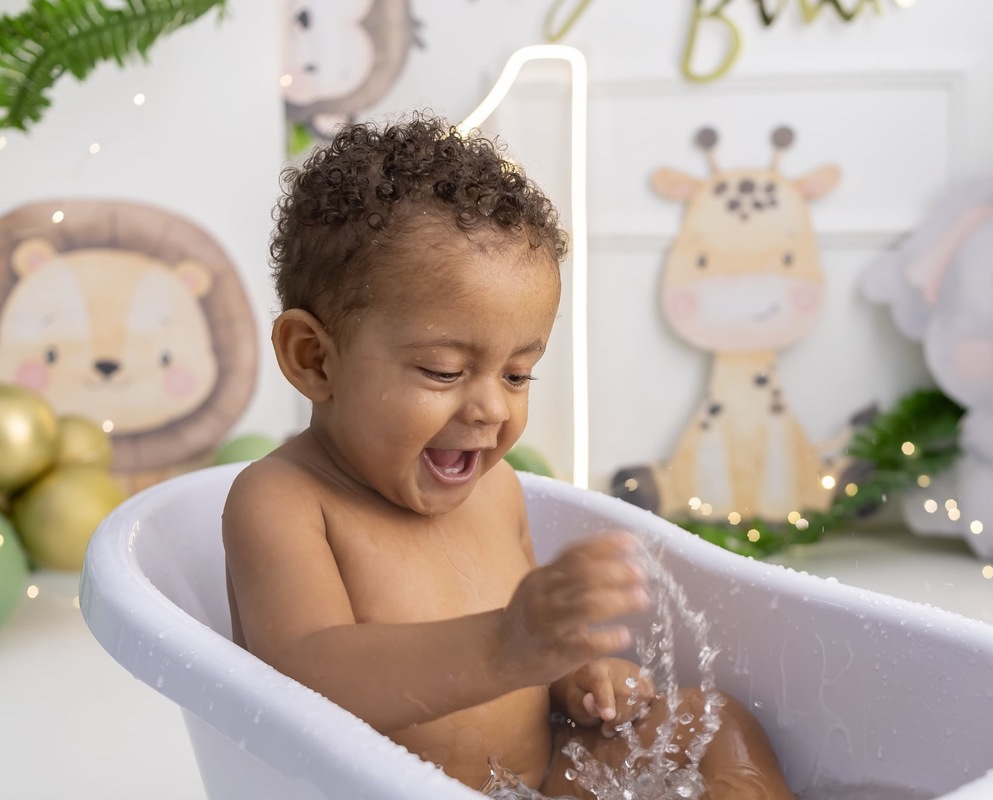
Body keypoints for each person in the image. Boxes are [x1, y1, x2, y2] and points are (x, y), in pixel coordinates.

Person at [222, 115, 795, 798]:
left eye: (519, 374)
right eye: (441, 370)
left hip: (542, 779)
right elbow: (307, 681)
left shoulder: (495, 492)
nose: (492, 408)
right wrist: (504, 646)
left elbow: (528, 671)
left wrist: (575, 677)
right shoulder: (284, 502)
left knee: (715, 722)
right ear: (314, 358)